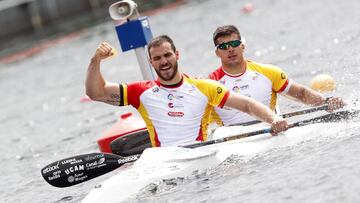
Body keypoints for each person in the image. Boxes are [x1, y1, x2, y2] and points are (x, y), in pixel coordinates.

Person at [86, 35, 288, 148]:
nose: (163, 61)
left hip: (200, 156)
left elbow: (247, 104)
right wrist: (95, 60)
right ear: (151, 62)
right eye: (157, 58)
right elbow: (96, 93)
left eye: (167, 55)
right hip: (164, 161)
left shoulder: (204, 87)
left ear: (177, 55)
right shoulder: (140, 91)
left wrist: (273, 119)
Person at [208, 25, 345, 126]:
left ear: (242, 46)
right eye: (224, 46)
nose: (230, 49)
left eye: (234, 44)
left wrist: (326, 102)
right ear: (217, 53)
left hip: (273, 129)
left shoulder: (267, 72)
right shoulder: (209, 85)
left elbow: (301, 94)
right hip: (231, 140)